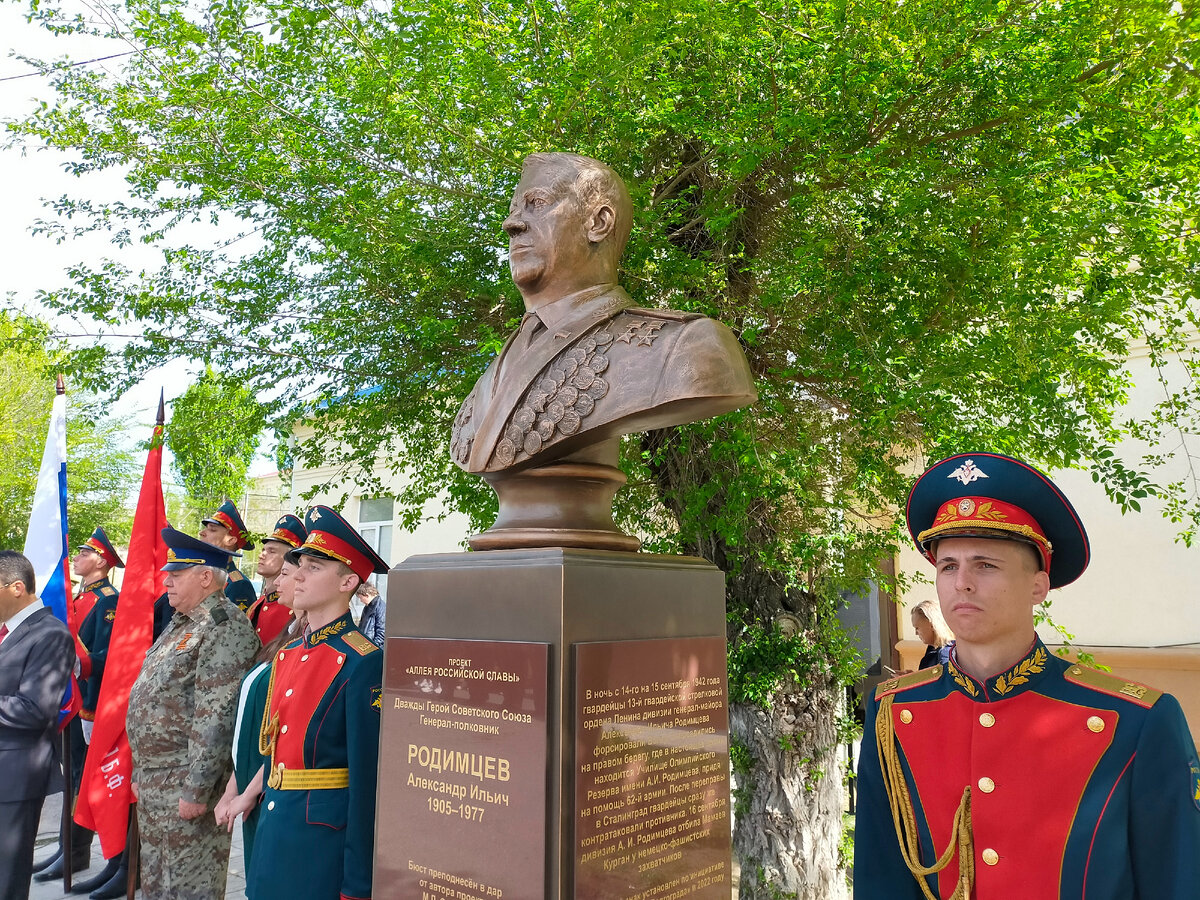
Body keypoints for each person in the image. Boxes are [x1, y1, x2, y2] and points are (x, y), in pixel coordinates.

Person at [854, 452, 1200, 899]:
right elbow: (881, 879)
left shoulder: (1137, 721)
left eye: (985, 564)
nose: (962, 583)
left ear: (1038, 585)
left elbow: (1177, 881)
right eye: (948, 566)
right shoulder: (894, 713)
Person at [450, 153, 756, 545]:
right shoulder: (498, 367)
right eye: (513, 209)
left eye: (537, 203)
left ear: (598, 223)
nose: (511, 224)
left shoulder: (683, 347)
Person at [247, 505, 387, 900]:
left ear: (348, 583)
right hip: (275, 832)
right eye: (300, 564)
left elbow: (367, 783)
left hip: (320, 850)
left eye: (314, 566)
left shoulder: (364, 661)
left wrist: (358, 884)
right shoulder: (289, 654)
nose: (299, 575)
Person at [126, 527, 260, 900]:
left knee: (187, 889)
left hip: (185, 781)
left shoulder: (225, 627)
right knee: (157, 884)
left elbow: (215, 715)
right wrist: (142, 769)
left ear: (205, 577)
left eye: (176, 573)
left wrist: (197, 789)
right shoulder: (182, 622)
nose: (165, 579)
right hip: (158, 779)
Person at [32, 527, 123, 885]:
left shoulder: (109, 600)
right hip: (63, 697)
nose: (78, 557)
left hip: (85, 701)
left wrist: (80, 665)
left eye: (85, 552)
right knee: (71, 774)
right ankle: (66, 847)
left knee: (83, 778)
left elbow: (105, 655)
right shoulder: (80, 596)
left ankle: (76, 850)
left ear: (101, 560)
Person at [214, 554, 304, 890]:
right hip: (252, 782)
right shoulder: (288, 633)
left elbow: (286, 735)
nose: (276, 583)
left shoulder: (307, 645)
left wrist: (248, 792)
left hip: (270, 787)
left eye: (286, 574)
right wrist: (232, 789)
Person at [0, 550, 75, 900]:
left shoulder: (50, 634)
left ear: (16, 588)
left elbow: (33, 710)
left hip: (14, 777)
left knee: (6, 879)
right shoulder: (6, 630)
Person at [246, 513, 306, 644]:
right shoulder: (257, 605)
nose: (262, 555)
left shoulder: (296, 607)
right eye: (263, 550)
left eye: (272, 551)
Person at [199, 499, 258, 612]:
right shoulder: (201, 575)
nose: (202, 533)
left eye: (212, 529)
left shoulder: (238, 585)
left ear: (230, 540)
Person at [910, 599, 954, 670]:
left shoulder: (947, 655)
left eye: (917, 628)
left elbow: (945, 680)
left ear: (932, 625)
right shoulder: (933, 651)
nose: (916, 633)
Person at [355, 580, 386, 647]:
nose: (361, 601)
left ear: (367, 595)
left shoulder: (381, 608)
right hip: (366, 646)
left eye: (361, 598)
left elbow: (382, 632)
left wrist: (372, 647)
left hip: (372, 647)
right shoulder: (368, 607)